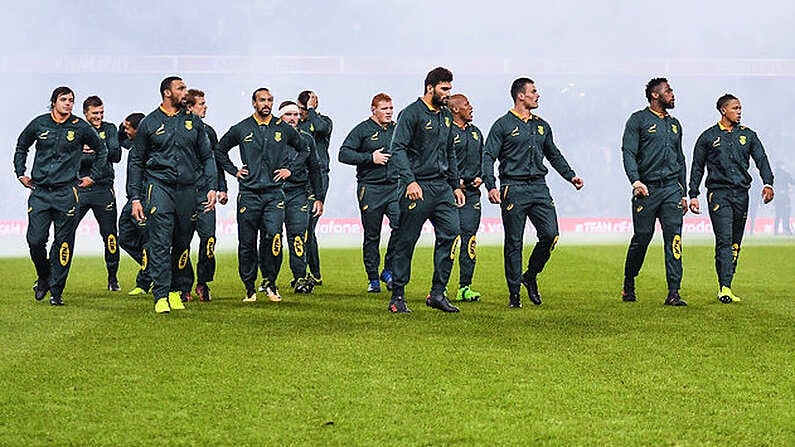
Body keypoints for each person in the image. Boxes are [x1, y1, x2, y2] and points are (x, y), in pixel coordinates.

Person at [482, 78, 584, 308]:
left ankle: (530, 275)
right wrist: (491, 185)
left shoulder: (542, 125)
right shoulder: (503, 125)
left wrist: (570, 176)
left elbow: (553, 154)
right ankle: (514, 295)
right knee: (514, 242)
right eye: (533, 92)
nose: (537, 95)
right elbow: (488, 156)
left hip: (539, 187)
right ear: (520, 96)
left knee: (551, 234)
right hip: (513, 187)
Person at [127, 76, 217, 314]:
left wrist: (211, 186)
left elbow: (207, 156)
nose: (185, 92)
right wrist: (135, 197)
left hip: (188, 190)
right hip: (159, 187)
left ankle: (178, 290)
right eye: (181, 88)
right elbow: (136, 161)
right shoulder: (149, 122)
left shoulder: (193, 123)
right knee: (160, 239)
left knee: (182, 241)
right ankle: (160, 294)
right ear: (167, 93)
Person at [14, 86, 106, 305]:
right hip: (40, 192)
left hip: (67, 192)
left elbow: (101, 150)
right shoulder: (39, 123)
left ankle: (56, 291)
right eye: (64, 99)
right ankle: (44, 276)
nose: (68, 103)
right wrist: (20, 173)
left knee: (63, 242)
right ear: (54, 101)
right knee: (35, 240)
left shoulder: (80, 127)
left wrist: (93, 176)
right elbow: (21, 146)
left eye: (71, 100)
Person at [387, 66, 465, 313]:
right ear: (430, 88)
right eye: (444, 89)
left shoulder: (445, 115)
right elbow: (397, 148)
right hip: (417, 186)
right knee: (406, 241)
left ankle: (438, 293)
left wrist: (455, 185)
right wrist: (409, 181)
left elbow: (450, 151)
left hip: (442, 188)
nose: (448, 94)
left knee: (451, 234)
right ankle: (398, 296)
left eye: (450, 89)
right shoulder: (411, 113)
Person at [215, 87, 303, 303]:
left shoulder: (282, 128)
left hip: (274, 194)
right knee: (246, 242)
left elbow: (305, 150)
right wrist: (234, 170)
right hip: (249, 194)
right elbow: (219, 150)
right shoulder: (242, 128)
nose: (267, 104)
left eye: (270, 100)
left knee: (273, 237)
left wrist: (289, 170)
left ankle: (271, 283)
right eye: (262, 100)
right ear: (254, 103)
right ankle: (249, 287)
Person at [689, 94, 774, 303]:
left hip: (741, 194)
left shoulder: (748, 135)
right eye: (735, 108)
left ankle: (728, 283)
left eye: (740, 108)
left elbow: (761, 159)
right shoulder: (708, 137)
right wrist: (693, 194)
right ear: (723, 110)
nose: (739, 111)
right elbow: (697, 167)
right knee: (725, 239)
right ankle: (724, 287)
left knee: (735, 242)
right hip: (718, 193)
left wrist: (768, 183)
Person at [620, 77, 688, 306]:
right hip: (646, 190)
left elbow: (680, 159)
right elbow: (628, 152)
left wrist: (685, 192)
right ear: (655, 95)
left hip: (671, 190)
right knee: (642, 238)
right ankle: (629, 281)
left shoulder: (675, 124)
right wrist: (636, 181)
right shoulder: (638, 120)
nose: (673, 94)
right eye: (668, 91)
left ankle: (674, 292)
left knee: (674, 239)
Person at [338, 93, 400, 293]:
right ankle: (373, 278)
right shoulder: (362, 130)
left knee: (400, 227)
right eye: (385, 109)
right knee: (372, 235)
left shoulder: (397, 129)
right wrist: (369, 158)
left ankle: (388, 270)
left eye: (391, 108)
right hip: (370, 188)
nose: (389, 112)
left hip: (394, 188)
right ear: (373, 109)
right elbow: (343, 153)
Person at [178, 88, 228, 302]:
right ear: (189, 107)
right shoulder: (176, 129)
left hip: (205, 194)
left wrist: (221, 187)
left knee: (208, 239)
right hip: (184, 194)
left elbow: (215, 161)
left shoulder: (209, 131)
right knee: (183, 242)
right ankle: (183, 285)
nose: (205, 106)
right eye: (201, 103)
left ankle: (203, 282)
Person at [275, 100, 325, 294]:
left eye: (296, 115)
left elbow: (314, 168)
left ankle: (299, 278)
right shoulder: (271, 137)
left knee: (298, 236)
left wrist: (318, 197)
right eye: (289, 115)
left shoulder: (307, 138)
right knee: (273, 237)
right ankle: (269, 279)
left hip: (298, 193)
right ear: (281, 117)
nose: (293, 118)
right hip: (274, 193)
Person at [75, 95, 122, 291]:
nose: (99, 116)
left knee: (110, 235)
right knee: (64, 232)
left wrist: (93, 150)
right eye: (95, 113)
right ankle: (49, 277)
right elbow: (71, 158)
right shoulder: (76, 129)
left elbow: (116, 154)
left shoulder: (109, 129)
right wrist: (96, 152)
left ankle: (112, 279)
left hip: (103, 189)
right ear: (85, 113)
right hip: (80, 188)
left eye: (101, 112)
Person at [449, 93, 485, 302]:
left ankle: (465, 287)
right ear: (455, 109)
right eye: (466, 105)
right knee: (449, 239)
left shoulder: (476, 133)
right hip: (451, 193)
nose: (471, 108)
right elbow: (440, 161)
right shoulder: (446, 132)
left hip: (472, 195)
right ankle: (440, 287)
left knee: (469, 239)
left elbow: (484, 158)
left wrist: (481, 177)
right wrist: (456, 183)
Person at [297, 90, 333, 286]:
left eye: (303, 109)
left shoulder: (323, 121)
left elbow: (320, 128)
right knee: (300, 227)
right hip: (298, 179)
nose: (300, 113)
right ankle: (308, 272)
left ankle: (313, 272)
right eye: (300, 108)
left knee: (308, 226)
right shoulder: (297, 125)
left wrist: (311, 110)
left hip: (318, 177)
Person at [117, 112, 152, 296]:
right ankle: (157, 266)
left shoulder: (151, 147)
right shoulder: (133, 144)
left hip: (145, 198)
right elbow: (119, 136)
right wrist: (122, 125)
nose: (125, 131)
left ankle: (145, 281)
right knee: (124, 237)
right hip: (132, 198)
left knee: (148, 240)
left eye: (128, 128)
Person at [773, 163, 792, 235]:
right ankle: (786, 229)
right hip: (785, 197)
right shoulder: (785, 174)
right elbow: (792, 181)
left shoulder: (774, 175)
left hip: (777, 198)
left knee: (778, 215)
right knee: (786, 214)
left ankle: (775, 231)